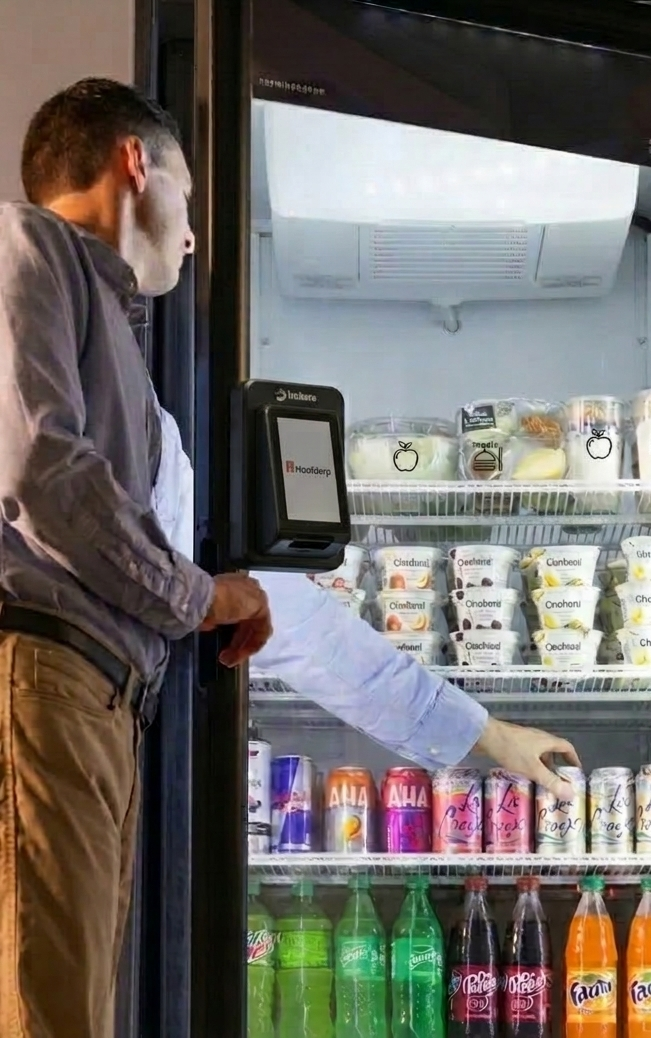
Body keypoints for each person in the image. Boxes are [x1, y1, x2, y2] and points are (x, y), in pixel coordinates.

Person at [0, 79, 577, 1038]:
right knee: (49, 1008)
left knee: (73, 1006)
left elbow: (286, 617)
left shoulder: (144, 406)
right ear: (135, 164)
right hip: (47, 675)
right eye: (188, 195)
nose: (193, 235)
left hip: (98, 702)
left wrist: (484, 733)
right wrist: (195, 595)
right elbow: (44, 472)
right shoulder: (24, 246)